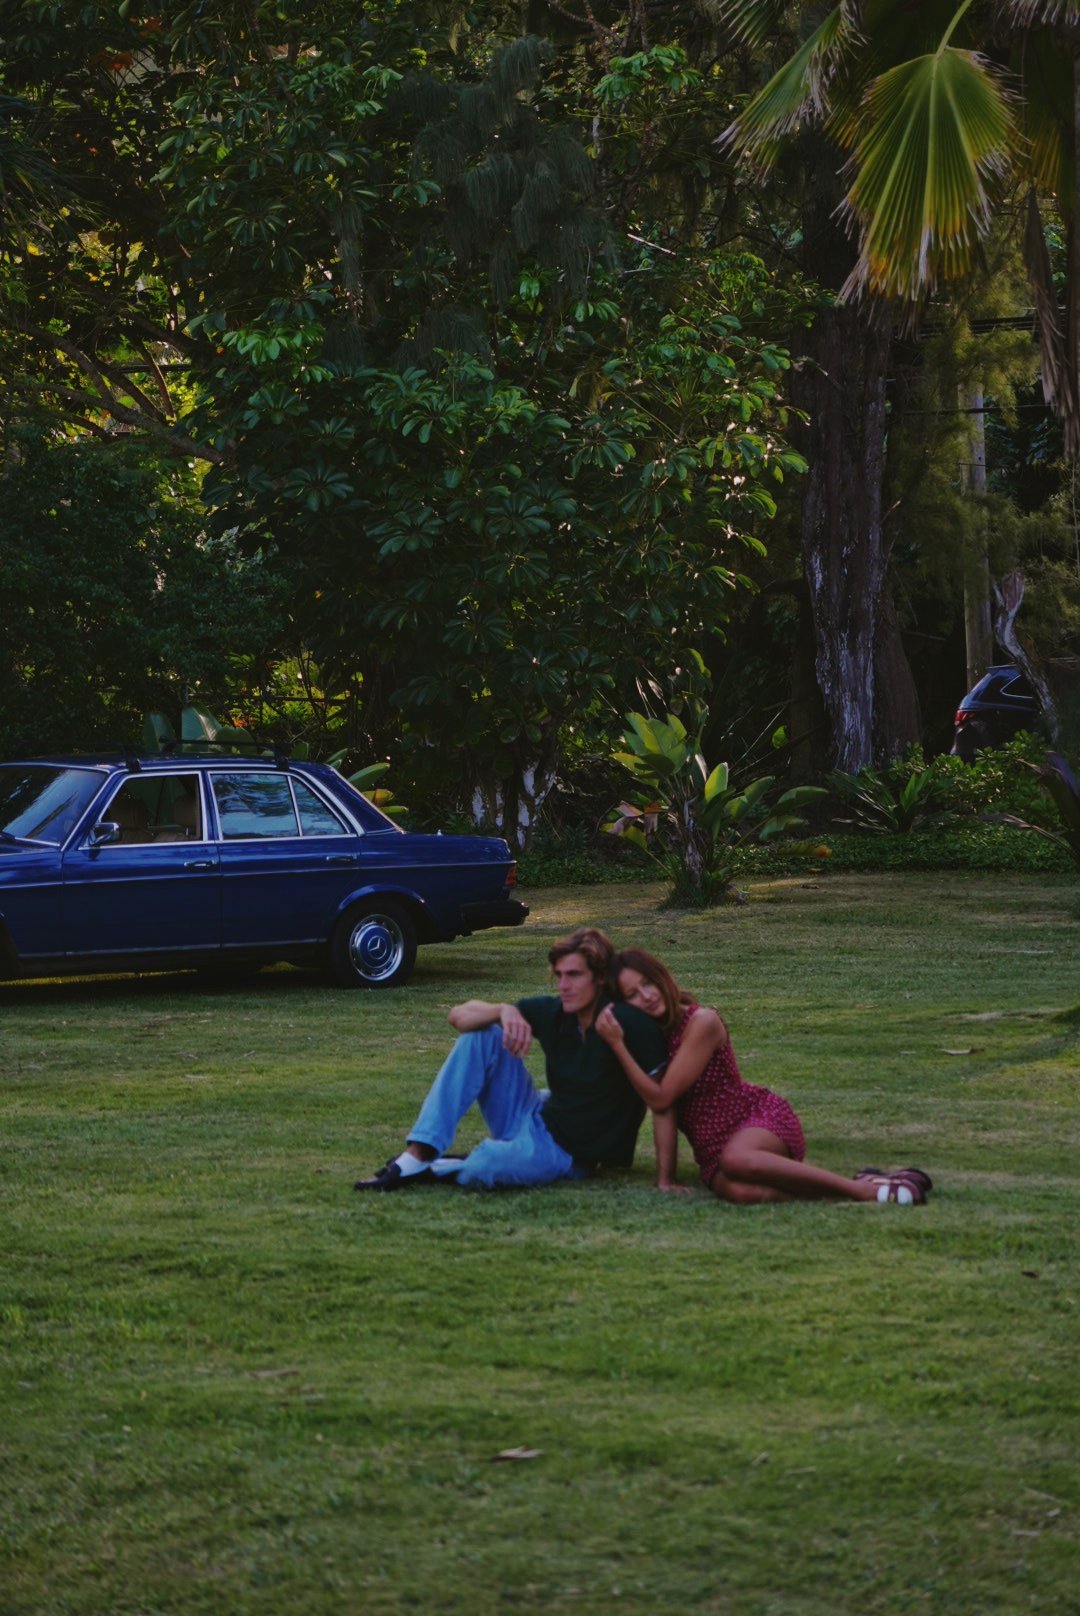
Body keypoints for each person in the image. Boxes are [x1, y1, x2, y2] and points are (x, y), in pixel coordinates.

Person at [595, 947, 932, 1206]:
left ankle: (861, 1192)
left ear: (661, 977)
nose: (647, 996)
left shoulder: (702, 1022)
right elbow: (663, 1111)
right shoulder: (651, 1038)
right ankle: (868, 1183)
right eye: (633, 995)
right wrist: (665, 1181)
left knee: (738, 1159)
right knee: (741, 1192)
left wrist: (617, 1046)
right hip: (711, 1148)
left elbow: (662, 1096)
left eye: (648, 983)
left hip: (756, 1120)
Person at [354, 927, 668, 1191]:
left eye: (574, 975)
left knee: (486, 1166)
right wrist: (503, 1010)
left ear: (599, 978)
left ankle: (439, 1167)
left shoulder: (628, 1022)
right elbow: (457, 1016)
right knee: (483, 1033)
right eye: (558, 975)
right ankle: (419, 1152)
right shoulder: (557, 1012)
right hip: (531, 1114)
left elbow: (662, 1103)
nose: (563, 986)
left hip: (565, 1152)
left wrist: (666, 1178)